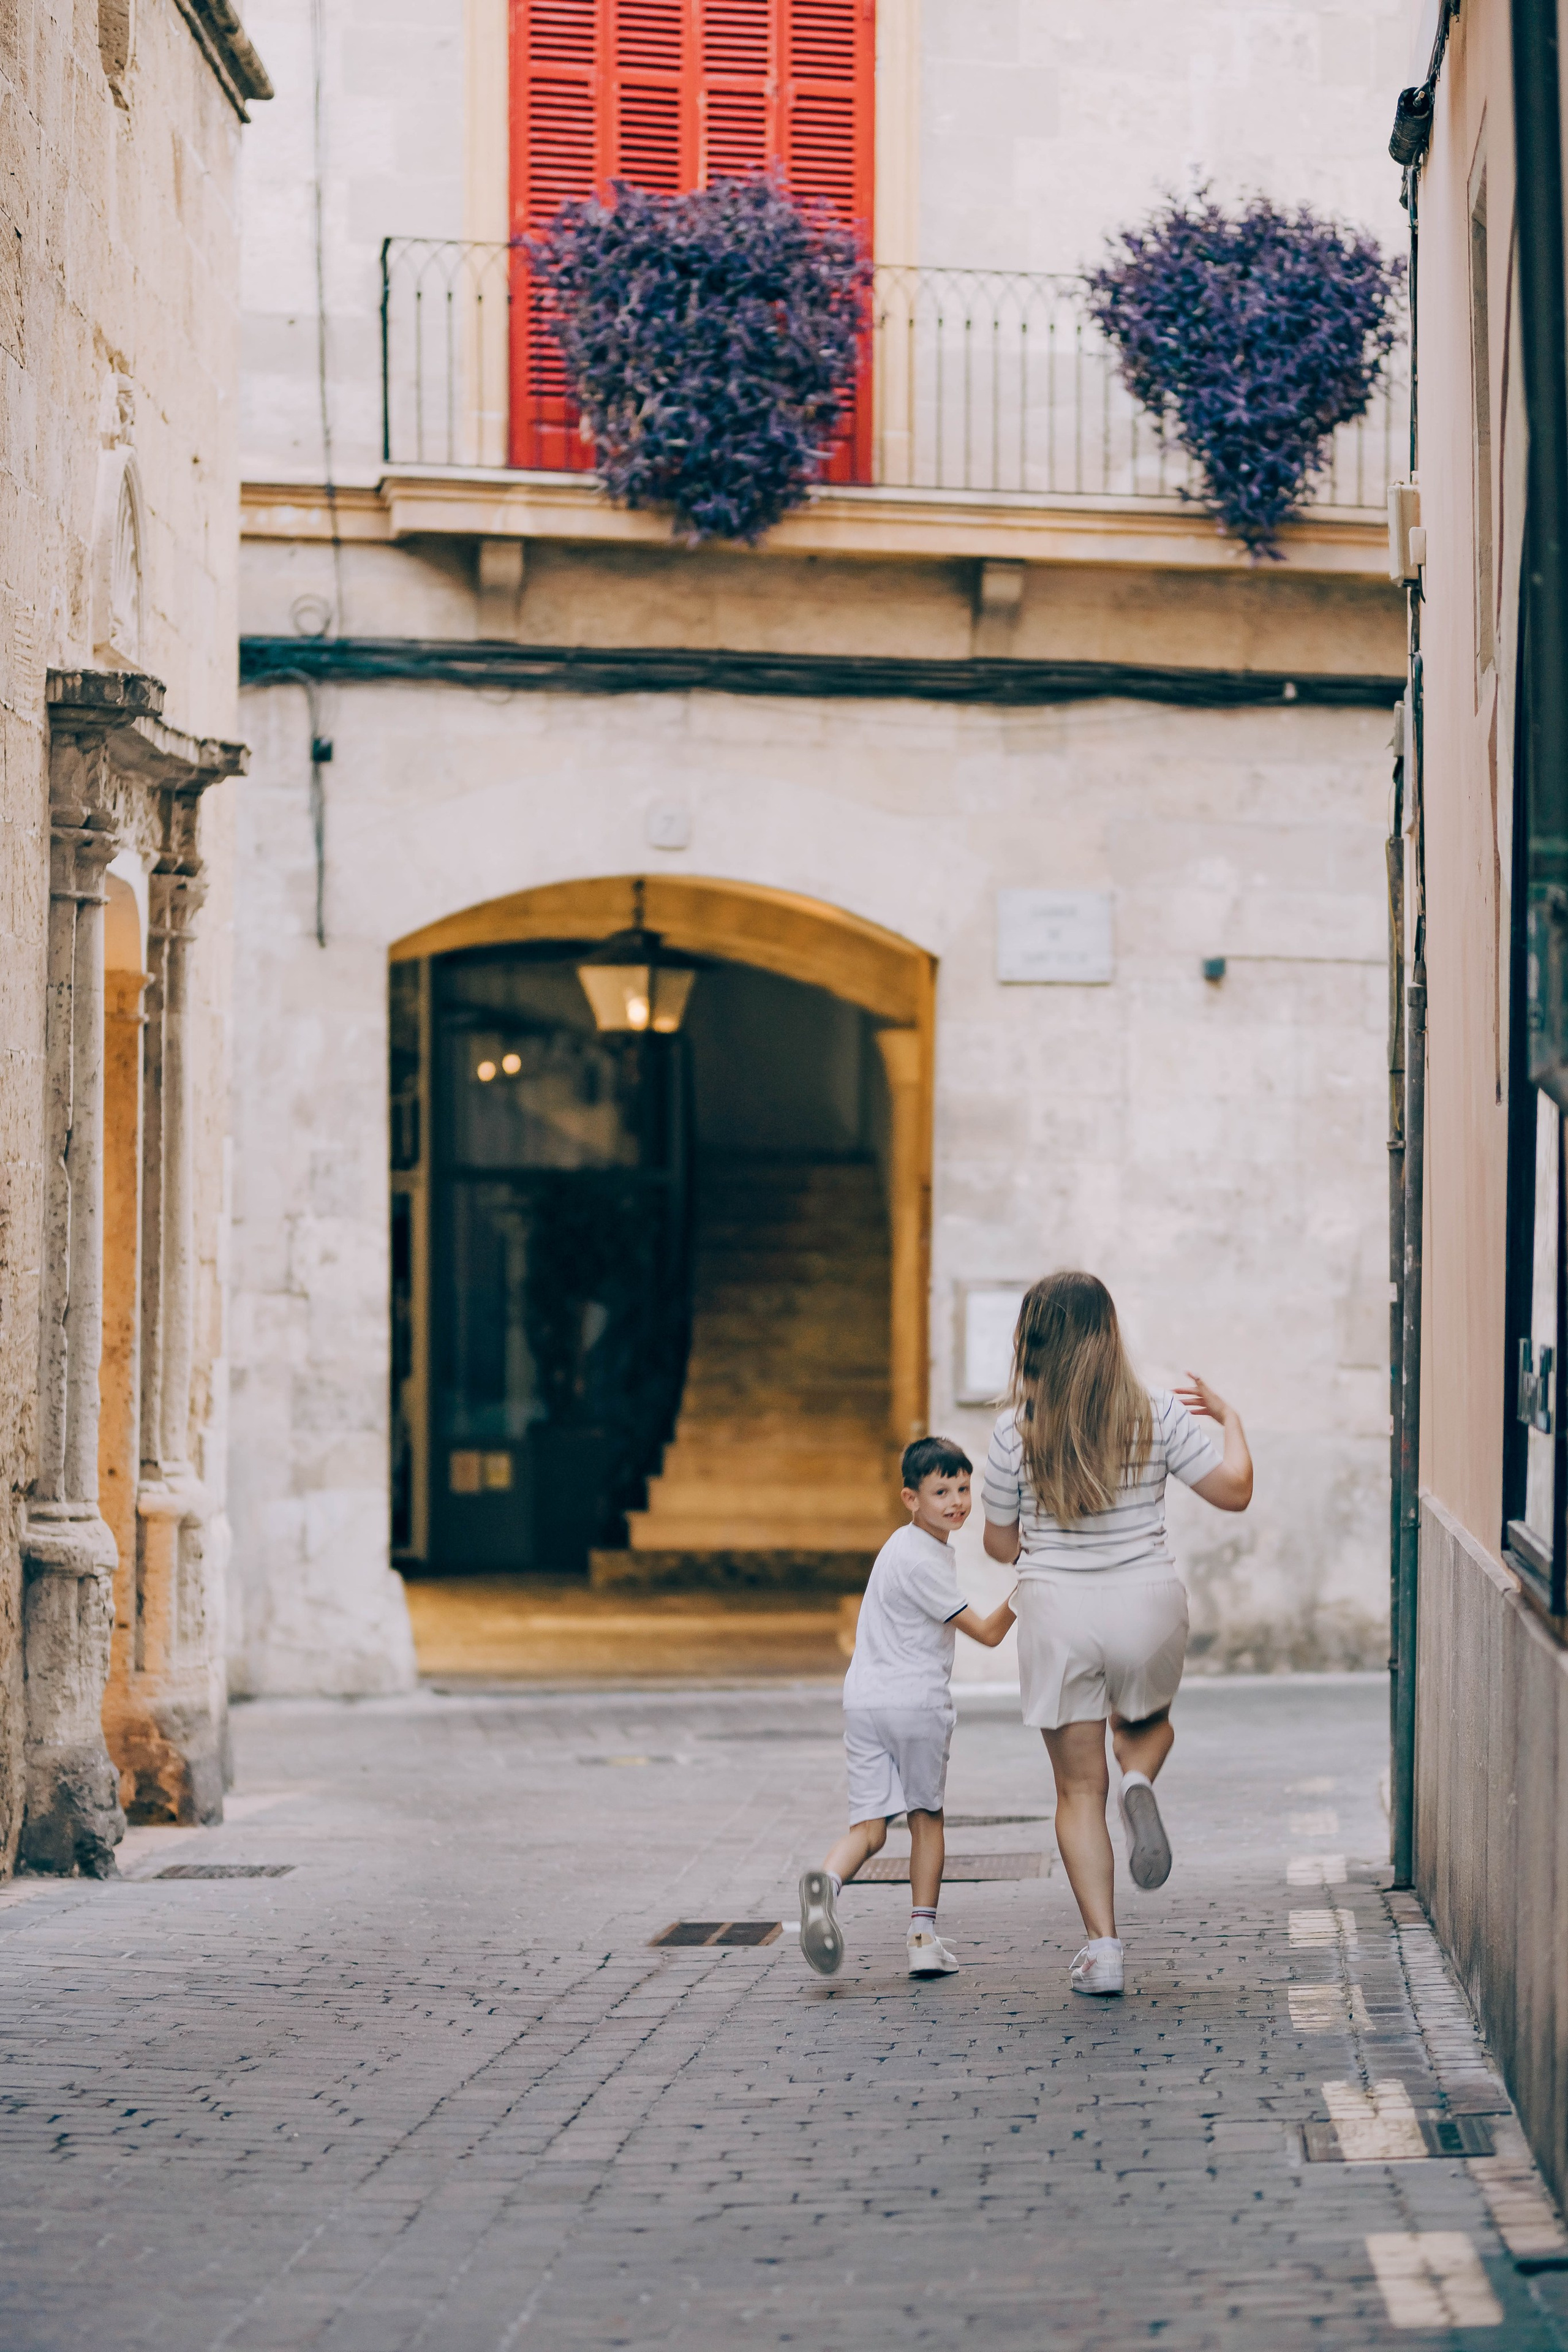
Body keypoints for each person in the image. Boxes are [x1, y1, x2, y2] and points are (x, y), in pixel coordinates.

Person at [980, 1272, 1252, 1998]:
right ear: (1108, 1333)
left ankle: (1103, 1951)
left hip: (1056, 1612)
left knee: (1075, 1789)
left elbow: (1001, 1548)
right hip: (1147, 1604)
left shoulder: (1013, 1430)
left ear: (1031, 1339)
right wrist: (1231, 1421)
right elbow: (1234, 1492)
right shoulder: (1159, 1413)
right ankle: (1139, 1778)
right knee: (1145, 1728)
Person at [798, 1436, 1017, 1980]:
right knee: (926, 1818)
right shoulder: (925, 1562)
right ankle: (923, 1938)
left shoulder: (897, 1547)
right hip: (915, 1705)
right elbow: (988, 1634)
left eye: (964, 1488)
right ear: (910, 1498)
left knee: (870, 1830)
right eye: (941, 1491)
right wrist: (1032, 1585)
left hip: (865, 1703)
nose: (957, 1501)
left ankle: (826, 1884)